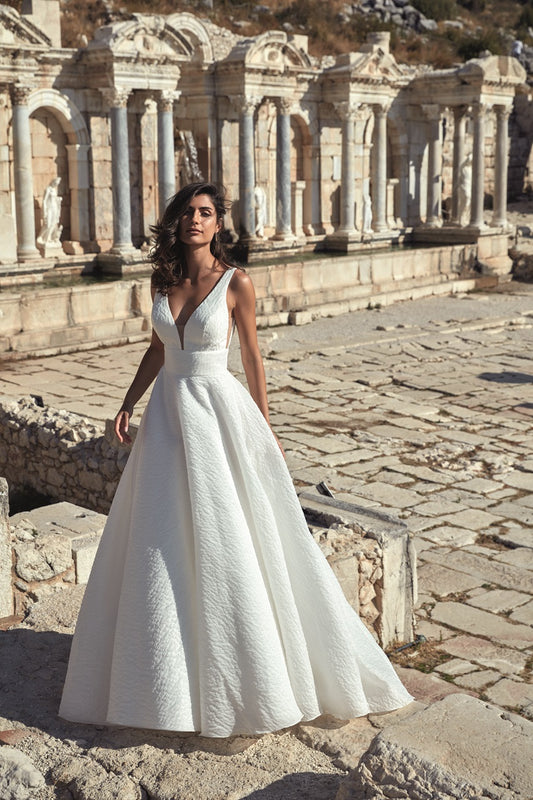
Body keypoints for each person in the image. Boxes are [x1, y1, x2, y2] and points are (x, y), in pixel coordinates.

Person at [59, 182, 412, 738]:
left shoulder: (236, 282)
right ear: (176, 222)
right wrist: (127, 403)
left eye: (206, 213)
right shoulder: (161, 280)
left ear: (218, 223)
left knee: (226, 535)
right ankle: (162, 679)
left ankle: (248, 677)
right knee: (160, 536)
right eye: (188, 212)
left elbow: (250, 356)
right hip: (166, 419)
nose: (196, 220)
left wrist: (264, 427)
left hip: (216, 416)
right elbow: (158, 347)